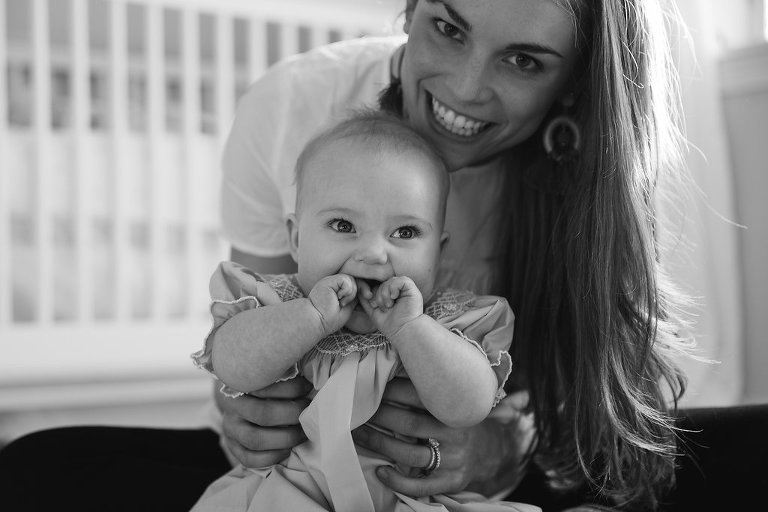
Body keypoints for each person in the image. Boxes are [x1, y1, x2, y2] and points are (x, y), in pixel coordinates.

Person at [1, 1, 766, 511]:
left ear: (575, 88)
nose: (465, 89)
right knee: (38, 468)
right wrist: (249, 412)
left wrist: (501, 442)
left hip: (469, 476)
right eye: (449, 27)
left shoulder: (591, 178)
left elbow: (582, 412)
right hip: (299, 472)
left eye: (524, 62)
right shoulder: (298, 107)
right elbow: (247, 354)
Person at [189, 110, 537, 512]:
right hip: (290, 495)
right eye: (342, 225)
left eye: (405, 233)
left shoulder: (446, 321)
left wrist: (412, 329)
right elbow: (230, 364)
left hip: (408, 501)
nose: (373, 253)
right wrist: (309, 318)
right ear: (297, 239)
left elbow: (471, 404)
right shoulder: (278, 302)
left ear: (438, 253)